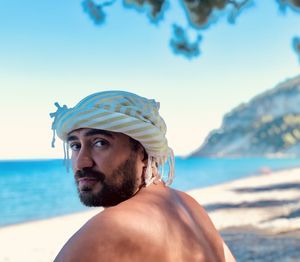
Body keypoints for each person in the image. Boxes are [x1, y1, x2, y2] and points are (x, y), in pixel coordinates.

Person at [50, 91, 235, 262]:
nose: (82, 162)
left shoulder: (111, 227)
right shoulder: (189, 205)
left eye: (100, 143)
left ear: (143, 154)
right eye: (75, 146)